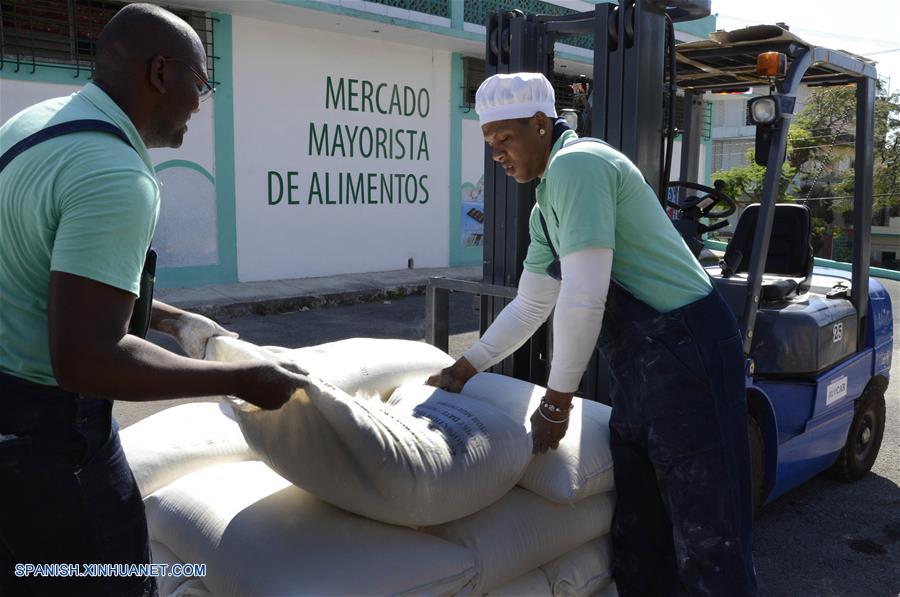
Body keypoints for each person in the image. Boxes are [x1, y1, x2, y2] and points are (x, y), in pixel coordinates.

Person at [0, 4, 308, 595]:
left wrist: (167, 318)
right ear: (161, 72)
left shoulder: (36, 123)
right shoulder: (116, 174)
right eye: (200, 81)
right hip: (50, 439)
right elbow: (86, 359)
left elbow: (39, 266)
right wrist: (240, 379)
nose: (201, 100)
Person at [427, 72, 757, 596]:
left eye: (504, 138)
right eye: (489, 144)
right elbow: (533, 304)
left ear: (540, 123)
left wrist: (558, 403)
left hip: (689, 352)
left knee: (707, 531)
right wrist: (465, 368)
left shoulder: (578, 165)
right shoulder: (545, 210)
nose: (497, 154)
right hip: (644, 367)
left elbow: (584, 294)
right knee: (641, 523)